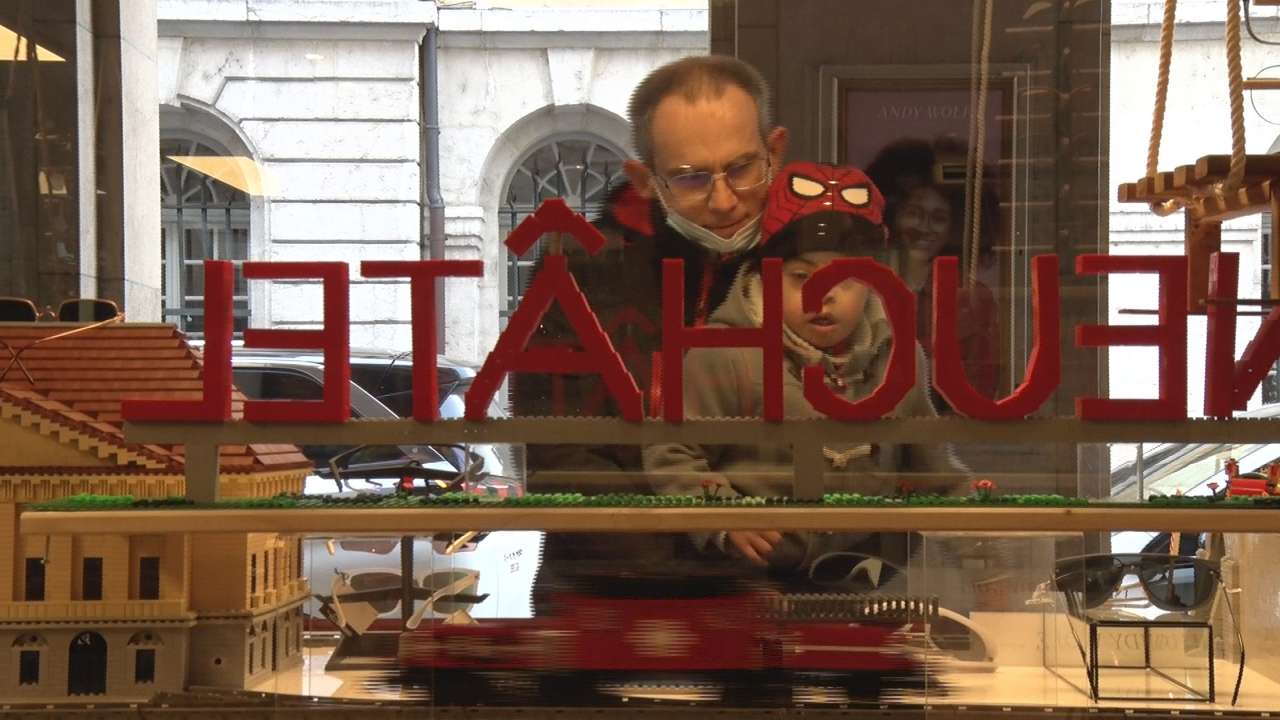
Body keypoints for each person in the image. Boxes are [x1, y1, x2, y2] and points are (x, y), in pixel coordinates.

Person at [511, 55, 788, 594]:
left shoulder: (806, 270)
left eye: (741, 169)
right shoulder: (583, 273)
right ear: (645, 180)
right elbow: (559, 457)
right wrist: (706, 553)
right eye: (691, 178)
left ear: (774, 152)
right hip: (609, 588)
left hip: (765, 586)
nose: (723, 200)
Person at [643, 161, 964, 579]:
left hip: (870, 575)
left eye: (844, 279)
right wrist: (722, 516)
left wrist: (991, 561)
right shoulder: (725, 353)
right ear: (767, 276)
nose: (822, 295)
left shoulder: (899, 357)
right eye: (800, 277)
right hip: (748, 578)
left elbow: (935, 474)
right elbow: (672, 453)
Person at [866, 138, 1001, 403]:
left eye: (939, 218)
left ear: (954, 228)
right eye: (914, 213)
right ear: (892, 216)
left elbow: (980, 389)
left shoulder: (973, 300)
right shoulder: (860, 289)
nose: (925, 227)